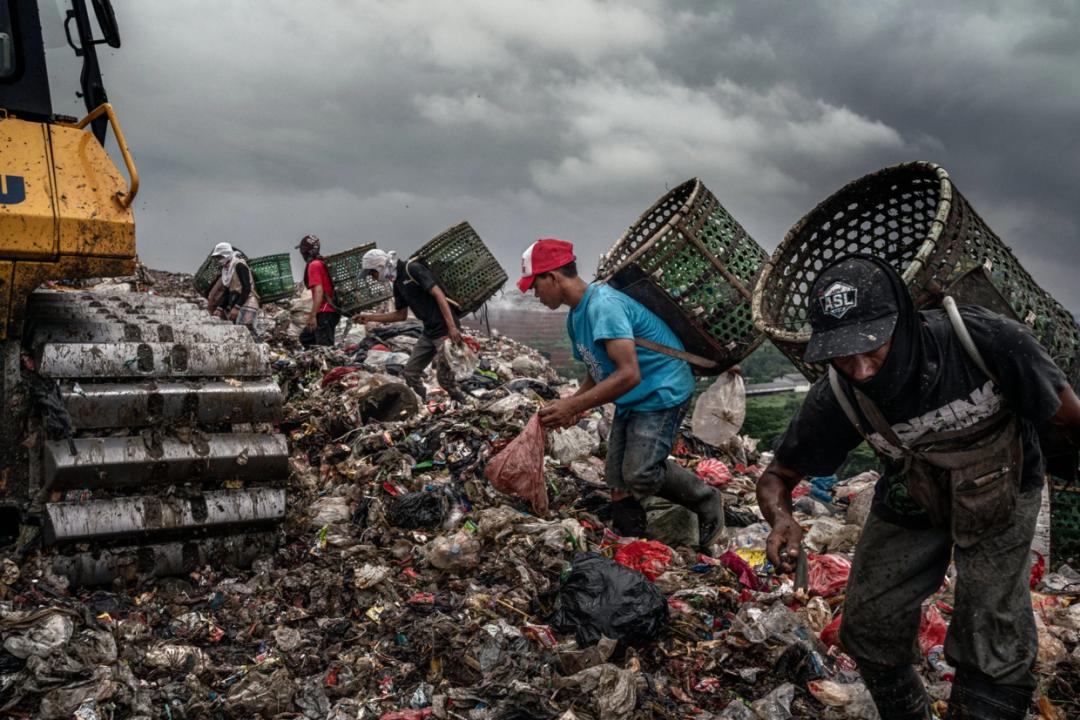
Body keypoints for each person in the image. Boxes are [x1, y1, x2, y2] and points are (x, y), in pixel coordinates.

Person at [756, 255, 1080, 720]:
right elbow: (776, 477)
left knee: (991, 626)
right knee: (869, 622)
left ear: (904, 322)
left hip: (1003, 486)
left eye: (875, 348)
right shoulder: (840, 393)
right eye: (845, 356)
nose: (863, 369)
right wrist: (782, 519)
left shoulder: (983, 341)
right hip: (914, 493)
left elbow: (1070, 419)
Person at [517, 238, 724, 552]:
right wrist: (576, 407)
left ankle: (707, 499)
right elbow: (597, 367)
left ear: (555, 277)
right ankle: (632, 540)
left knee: (640, 473)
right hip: (632, 396)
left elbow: (629, 373)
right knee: (617, 482)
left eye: (535, 285)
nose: (535, 293)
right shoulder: (576, 316)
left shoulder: (604, 305)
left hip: (661, 389)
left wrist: (574, 403)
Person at [355, 248, 466, 403]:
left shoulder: (411, 270)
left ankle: (464, 405)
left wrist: (452, 327)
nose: (372, 278)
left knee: (445, 379)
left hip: (444, 330)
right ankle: (423, 404)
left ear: (380, 267)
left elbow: (439, 294)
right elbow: (401, 315)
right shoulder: (397, 283)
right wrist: (369, 318)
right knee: (410, 373)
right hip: (429, 332)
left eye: (372, 273)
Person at [296, 235, 339, 348]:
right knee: (305, 338)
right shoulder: (321, 262)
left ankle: (330, 365)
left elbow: (319, 292)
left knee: (324, 348)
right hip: (329, 312)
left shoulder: (314, 265)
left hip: (325, 312)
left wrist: (312, 315)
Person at [209, 242, 259, 336]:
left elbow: (246, 288)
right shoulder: (227, 270)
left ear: (226, 254)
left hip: (248, 302)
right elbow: (228, 291)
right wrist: (220, 308)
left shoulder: (239, 265)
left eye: (220, 257)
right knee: (238, 333)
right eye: (217, 258)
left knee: (245, 332)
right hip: (238, 302)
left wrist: (237, 307)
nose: (218, 260)